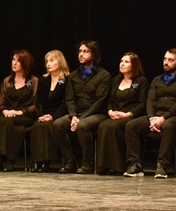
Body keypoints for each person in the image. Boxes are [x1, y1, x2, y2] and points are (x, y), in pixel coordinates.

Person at [51, 40, 111, 173]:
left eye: (85, 51)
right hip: (77, 114)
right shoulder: (73, 75)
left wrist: (80, 118)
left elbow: (99, 101)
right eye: (80, 51)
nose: (81, 54)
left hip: (96, 114)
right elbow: (70, 99)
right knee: (58, 124)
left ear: (94, 55)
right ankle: (70, 162)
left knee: (83, 125)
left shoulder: (103, 75)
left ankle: (88, 164)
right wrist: (73, 116)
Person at [124, 48, 176, 178]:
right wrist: (152, 118)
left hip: (172, 116)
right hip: (155, 115)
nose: (166, 62)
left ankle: (162, 165)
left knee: (169, 125)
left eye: (170, 60)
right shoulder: (157, 80)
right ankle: (135, 164)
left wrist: (163, 118)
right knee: (131, 126)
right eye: (165, 59)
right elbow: (150, 100)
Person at [96, 52, 148, 175]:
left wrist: (128, 114)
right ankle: (105, 165)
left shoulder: (141, 81)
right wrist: (110, 112)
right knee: (103, 125)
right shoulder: (115, 80)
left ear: (134, 65)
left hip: (131, 116)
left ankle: (118, 165)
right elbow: (109, 101)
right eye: (121, 61)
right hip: (116, 114)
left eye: (126, 62)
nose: (122, 64)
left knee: (115, 127)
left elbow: (142, 103)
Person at [0, 50, 38, 171]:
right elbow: (0, 102)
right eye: (13, 60)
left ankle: (8, 159)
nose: (14, 63)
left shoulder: (33, 81)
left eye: (18, 61)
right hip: (9, 113)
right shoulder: (7, 81)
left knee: (9, 123)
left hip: (25, 114)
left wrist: (20, 112)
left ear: (25, 63)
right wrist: (4, 111)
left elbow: (36, 104)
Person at [30, 50, 70, 172]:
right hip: (45, 113)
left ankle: (47, 161)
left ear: (60, 61)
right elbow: (39, 101)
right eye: (47, 61)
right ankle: (37, 161)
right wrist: (41, 115)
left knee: (49, 126)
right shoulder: (44, 79)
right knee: (37, 126)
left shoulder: (67, 79)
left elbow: (66, 102)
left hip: (59, 113)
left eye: (52, 60)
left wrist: (53, 116)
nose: (48, 64)